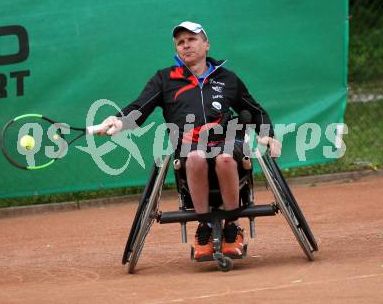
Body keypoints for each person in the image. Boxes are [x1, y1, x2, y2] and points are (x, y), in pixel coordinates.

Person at [98, 21, 281, 261]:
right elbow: (139, 108)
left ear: (206, 44)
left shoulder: (228, 79)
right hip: (189, 148)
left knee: (225, 158)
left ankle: (232, 227)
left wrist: (267, 134)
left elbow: (254, 111)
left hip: (228, 145)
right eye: (180, 43)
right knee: (195, 157)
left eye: (191, 40)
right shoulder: (165, 79)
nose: (186, 46)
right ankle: (204, 226)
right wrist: (118, 121)